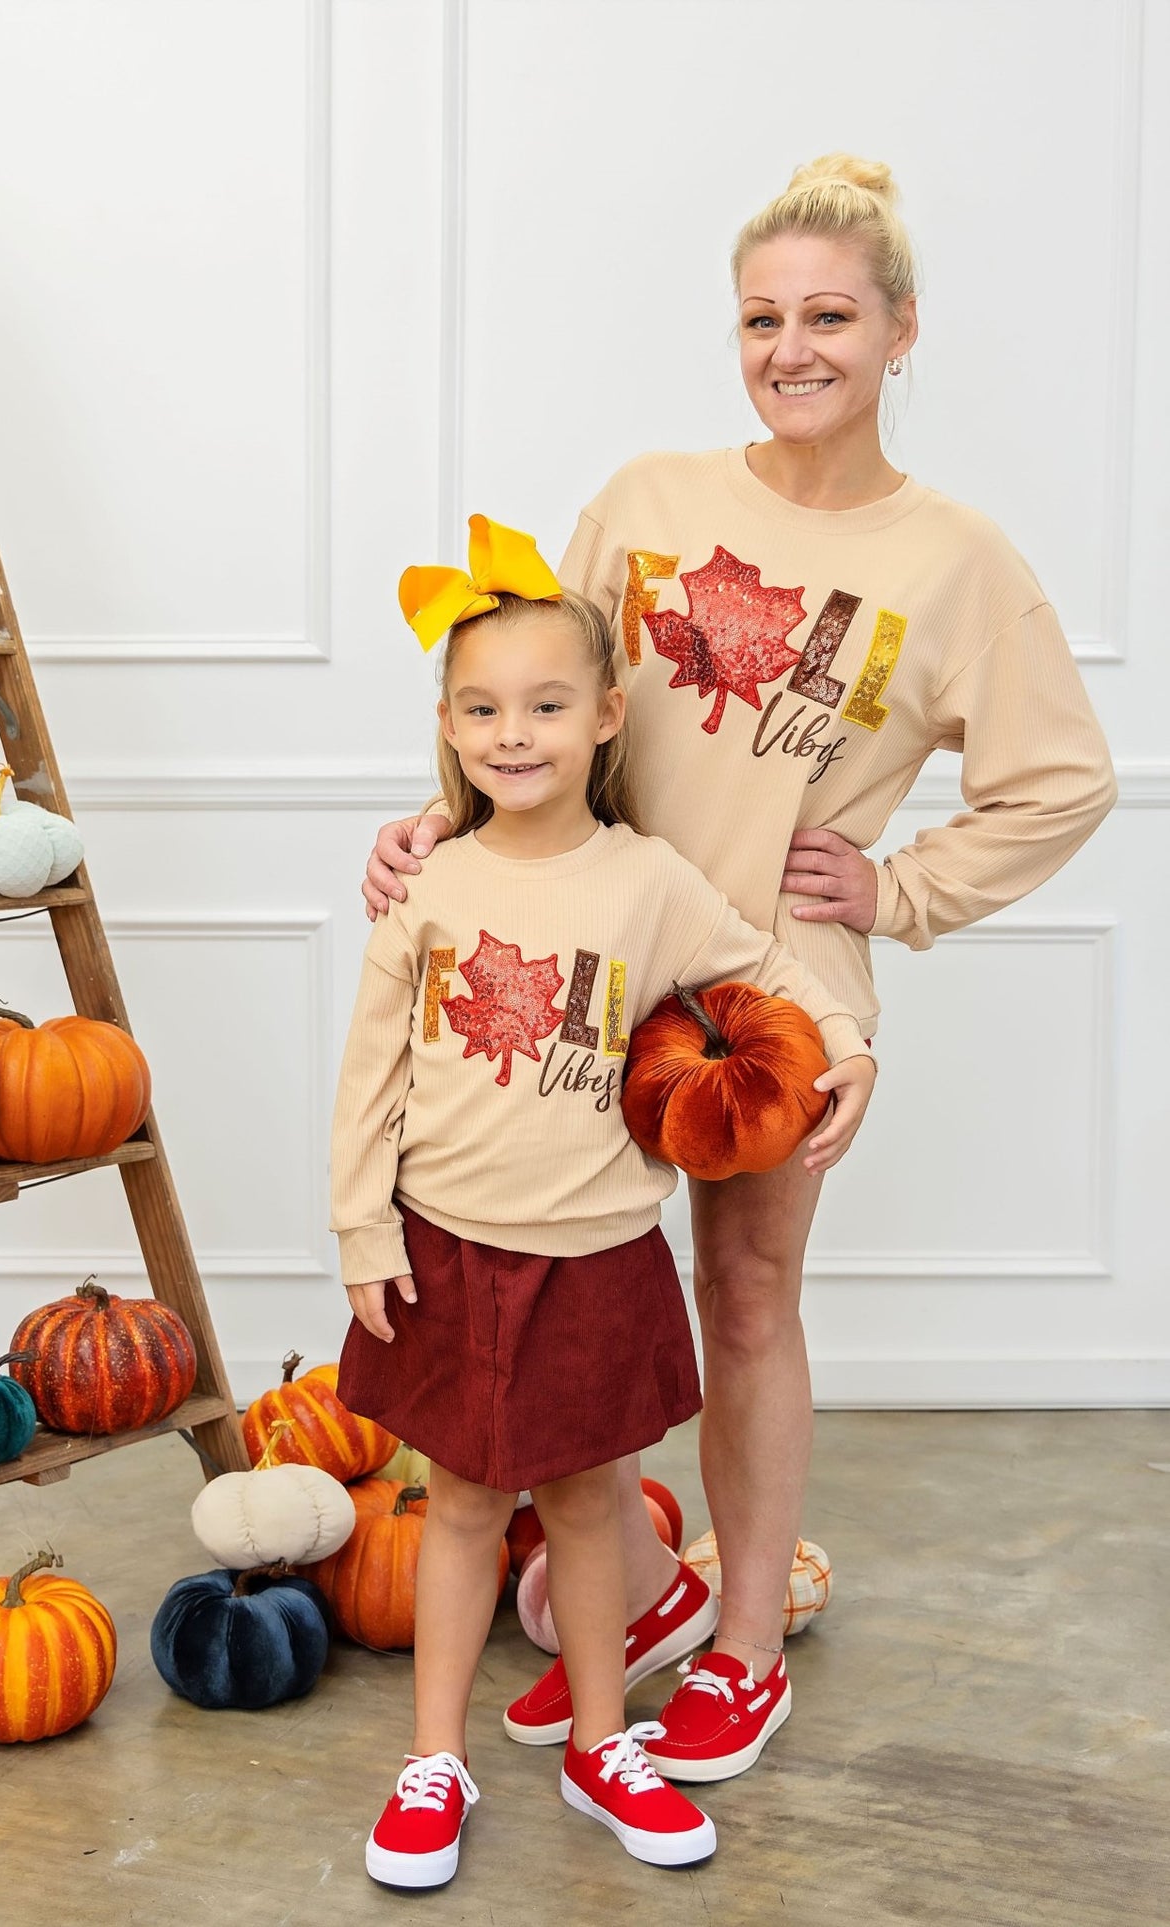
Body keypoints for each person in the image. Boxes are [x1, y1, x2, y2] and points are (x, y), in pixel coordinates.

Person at [362, 155, 1116, 1786]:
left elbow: (1062, 782)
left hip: (769, 988)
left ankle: (747, 1643)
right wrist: (436, 835)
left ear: (899, 331)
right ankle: (626, 1607)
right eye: (762, 317)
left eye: (829, 315)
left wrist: (900, 890)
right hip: (579, 956)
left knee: (746, 1295)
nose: (792, 346)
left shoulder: (958, 559)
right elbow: (536, 691)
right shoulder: (644, 502)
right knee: (560, 1283)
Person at [331, 514, 877, 1888]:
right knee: (457, 1504)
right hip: (447, 1247)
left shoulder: (643, 880)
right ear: (449, 726)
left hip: (598, 1256)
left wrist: (845, 1044)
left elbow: (757, 969)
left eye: (545, 706)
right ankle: (433, 1759)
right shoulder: (434, 883)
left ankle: (597, 1744)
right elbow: (368, 1071)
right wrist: (360, 1226)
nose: (512, 735)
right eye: (481, 710)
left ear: (605, 714)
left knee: (588, 1504)